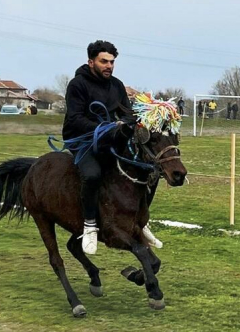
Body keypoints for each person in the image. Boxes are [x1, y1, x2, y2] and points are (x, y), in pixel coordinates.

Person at [63, 40, 162, 255]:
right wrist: (106, 127)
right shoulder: (77, 84)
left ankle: (141, 222)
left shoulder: (116, 85)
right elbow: (75, 119)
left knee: (151, 169)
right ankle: (90, 225)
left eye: (112, 62)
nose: (109, 65)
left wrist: (138, 120)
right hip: (83, 140)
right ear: (91, 62)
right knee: (92, 175)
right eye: (104, 61)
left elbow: (126, 113)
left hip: (111, 138)